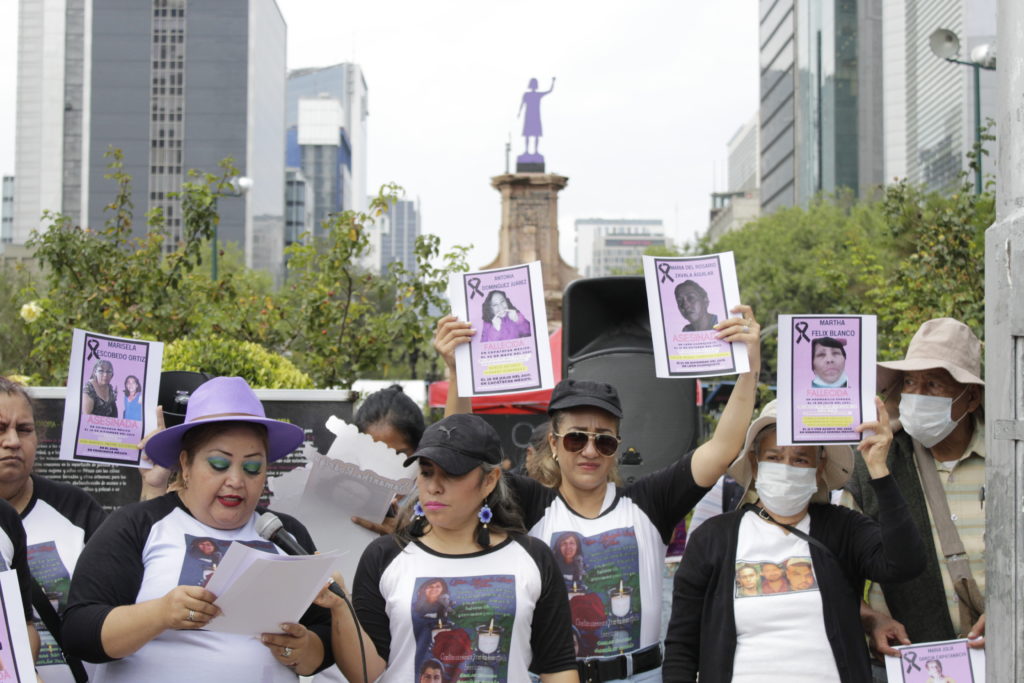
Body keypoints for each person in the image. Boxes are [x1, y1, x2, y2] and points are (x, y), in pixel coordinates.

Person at [435, 305, 762, 681]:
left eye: (603, 441)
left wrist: (749, 369)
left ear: (617, 448)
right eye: (576, 439)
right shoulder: (532, 504)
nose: (589, 451)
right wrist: (457, 375)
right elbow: (463, 457)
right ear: (554, 445)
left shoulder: (649, 503)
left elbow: (722, 450)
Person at [62, 376, 335, 681]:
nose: (236, 480)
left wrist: (304, 647)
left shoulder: (284, 533)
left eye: (252, 467)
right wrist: (160, 614)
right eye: (219, 464)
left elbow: (324, 636)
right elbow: (79, 631)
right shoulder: (137, 526)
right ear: (186, 464)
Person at [663, 399, 925, 683]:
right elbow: (681, 646)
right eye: (774, 457)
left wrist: (878, 470)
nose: (787, 467)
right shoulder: (713, 539)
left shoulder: (844, 528)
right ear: (754, 461)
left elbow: (905, 564)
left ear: (819, 466)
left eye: (800, 459)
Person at [315, 414, 578, 683]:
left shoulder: (533, 557)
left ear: (489, 480)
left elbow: (558, 667)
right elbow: (366, 674)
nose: (434, 487)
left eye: (452, 474)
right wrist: (340, 606)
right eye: (427, 472)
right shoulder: (385, 556)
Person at [842, 319, 987, 657]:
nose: (917, 395)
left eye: (934, 384)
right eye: (909, 382)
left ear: (971, 398)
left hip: (1003, 661)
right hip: (904, 662)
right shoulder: (872, 464)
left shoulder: (1009, 464)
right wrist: (869, 619)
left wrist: (1012, 615)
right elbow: (831, 565)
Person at [1, 375, 107, 681]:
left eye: (24, 430)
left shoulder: (75, 508)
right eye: (0, 428)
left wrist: (151, 489)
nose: (13, 442)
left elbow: (131, 582)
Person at [518, 77, 555, 156]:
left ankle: (535, 151)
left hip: (535, 116)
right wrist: (519, 112)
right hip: (529, 116)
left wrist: (553, 82)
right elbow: (522, 104)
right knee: (527, 134)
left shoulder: (537, 95)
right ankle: (527, 151)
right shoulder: (527, 95)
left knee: (536, 135)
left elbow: (549, 91)